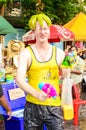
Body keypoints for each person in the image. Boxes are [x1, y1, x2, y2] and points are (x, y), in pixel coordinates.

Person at [16, 13, 68, 130]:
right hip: (32, 106)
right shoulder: (26, 53)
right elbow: (19, 79)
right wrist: (37, 94)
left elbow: (66, 75)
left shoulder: (59, 53)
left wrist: (67, 70)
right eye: (38, 29)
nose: (42, 32)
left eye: (45, 29)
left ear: (49, 31)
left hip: (53, 105)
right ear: (33, 32)